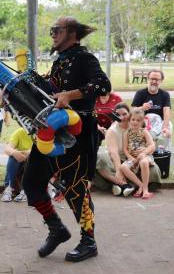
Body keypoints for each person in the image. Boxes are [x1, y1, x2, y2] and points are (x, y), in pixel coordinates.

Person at [22, 16, 111, 262]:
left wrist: (70, 95)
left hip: (79, 132)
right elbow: (50, 91)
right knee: (30, 181)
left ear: (72, 33)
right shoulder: (59, 62)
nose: (52, 34)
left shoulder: (84, 58)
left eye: (56, 30)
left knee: (76, 188)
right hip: (51, 131)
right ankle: (57, 228)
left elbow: (103, 84)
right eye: (51, 30)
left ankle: (88, 241)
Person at [94, 103, 161, 196]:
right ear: (114, 115)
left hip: (137, 158)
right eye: (118, 115)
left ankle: (119, 185)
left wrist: (144, 152)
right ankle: (125, 184)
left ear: (129, 114)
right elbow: (114, 153)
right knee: (100, 159)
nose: (122, 117)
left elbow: (151, 144)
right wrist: (119, 171)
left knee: (153, 170)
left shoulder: (136, 123)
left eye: (124, 114)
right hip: (117, 160)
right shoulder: (112, 130)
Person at [119, 108, 156, 200]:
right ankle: (141, 185)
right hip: (133, 157)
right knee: (123, 167)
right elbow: (125, 148)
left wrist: (144, 153)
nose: (135, 122)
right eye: (133, 119)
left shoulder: (144, 132)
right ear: (130, 120)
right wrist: (130, 157)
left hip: (145, 156)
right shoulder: (127, 133)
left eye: (138, 120)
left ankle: (146, 189)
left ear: (142, 121)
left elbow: (152, 145)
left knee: (143, 162)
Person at [131, 69, 171, 148]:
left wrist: (165, 127)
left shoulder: (165, 94)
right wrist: (142, 108)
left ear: (161, 81)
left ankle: (163, 153)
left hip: (159, 123)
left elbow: (166, 112)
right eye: (152, 79)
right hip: (143, 123)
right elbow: (132, 111)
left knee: (169, 128)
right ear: (148, 79)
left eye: (157, 79)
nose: (154, 81)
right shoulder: (140, 93)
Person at [1, 128, 33, 202]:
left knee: (32, 157)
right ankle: (8, 188)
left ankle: (25, 191)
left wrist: (26, 153)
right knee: (13, 156)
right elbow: (7, 149)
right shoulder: (20, 132)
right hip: (20, 163)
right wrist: (14, 153)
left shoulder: (41, 133)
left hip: (34, 164)